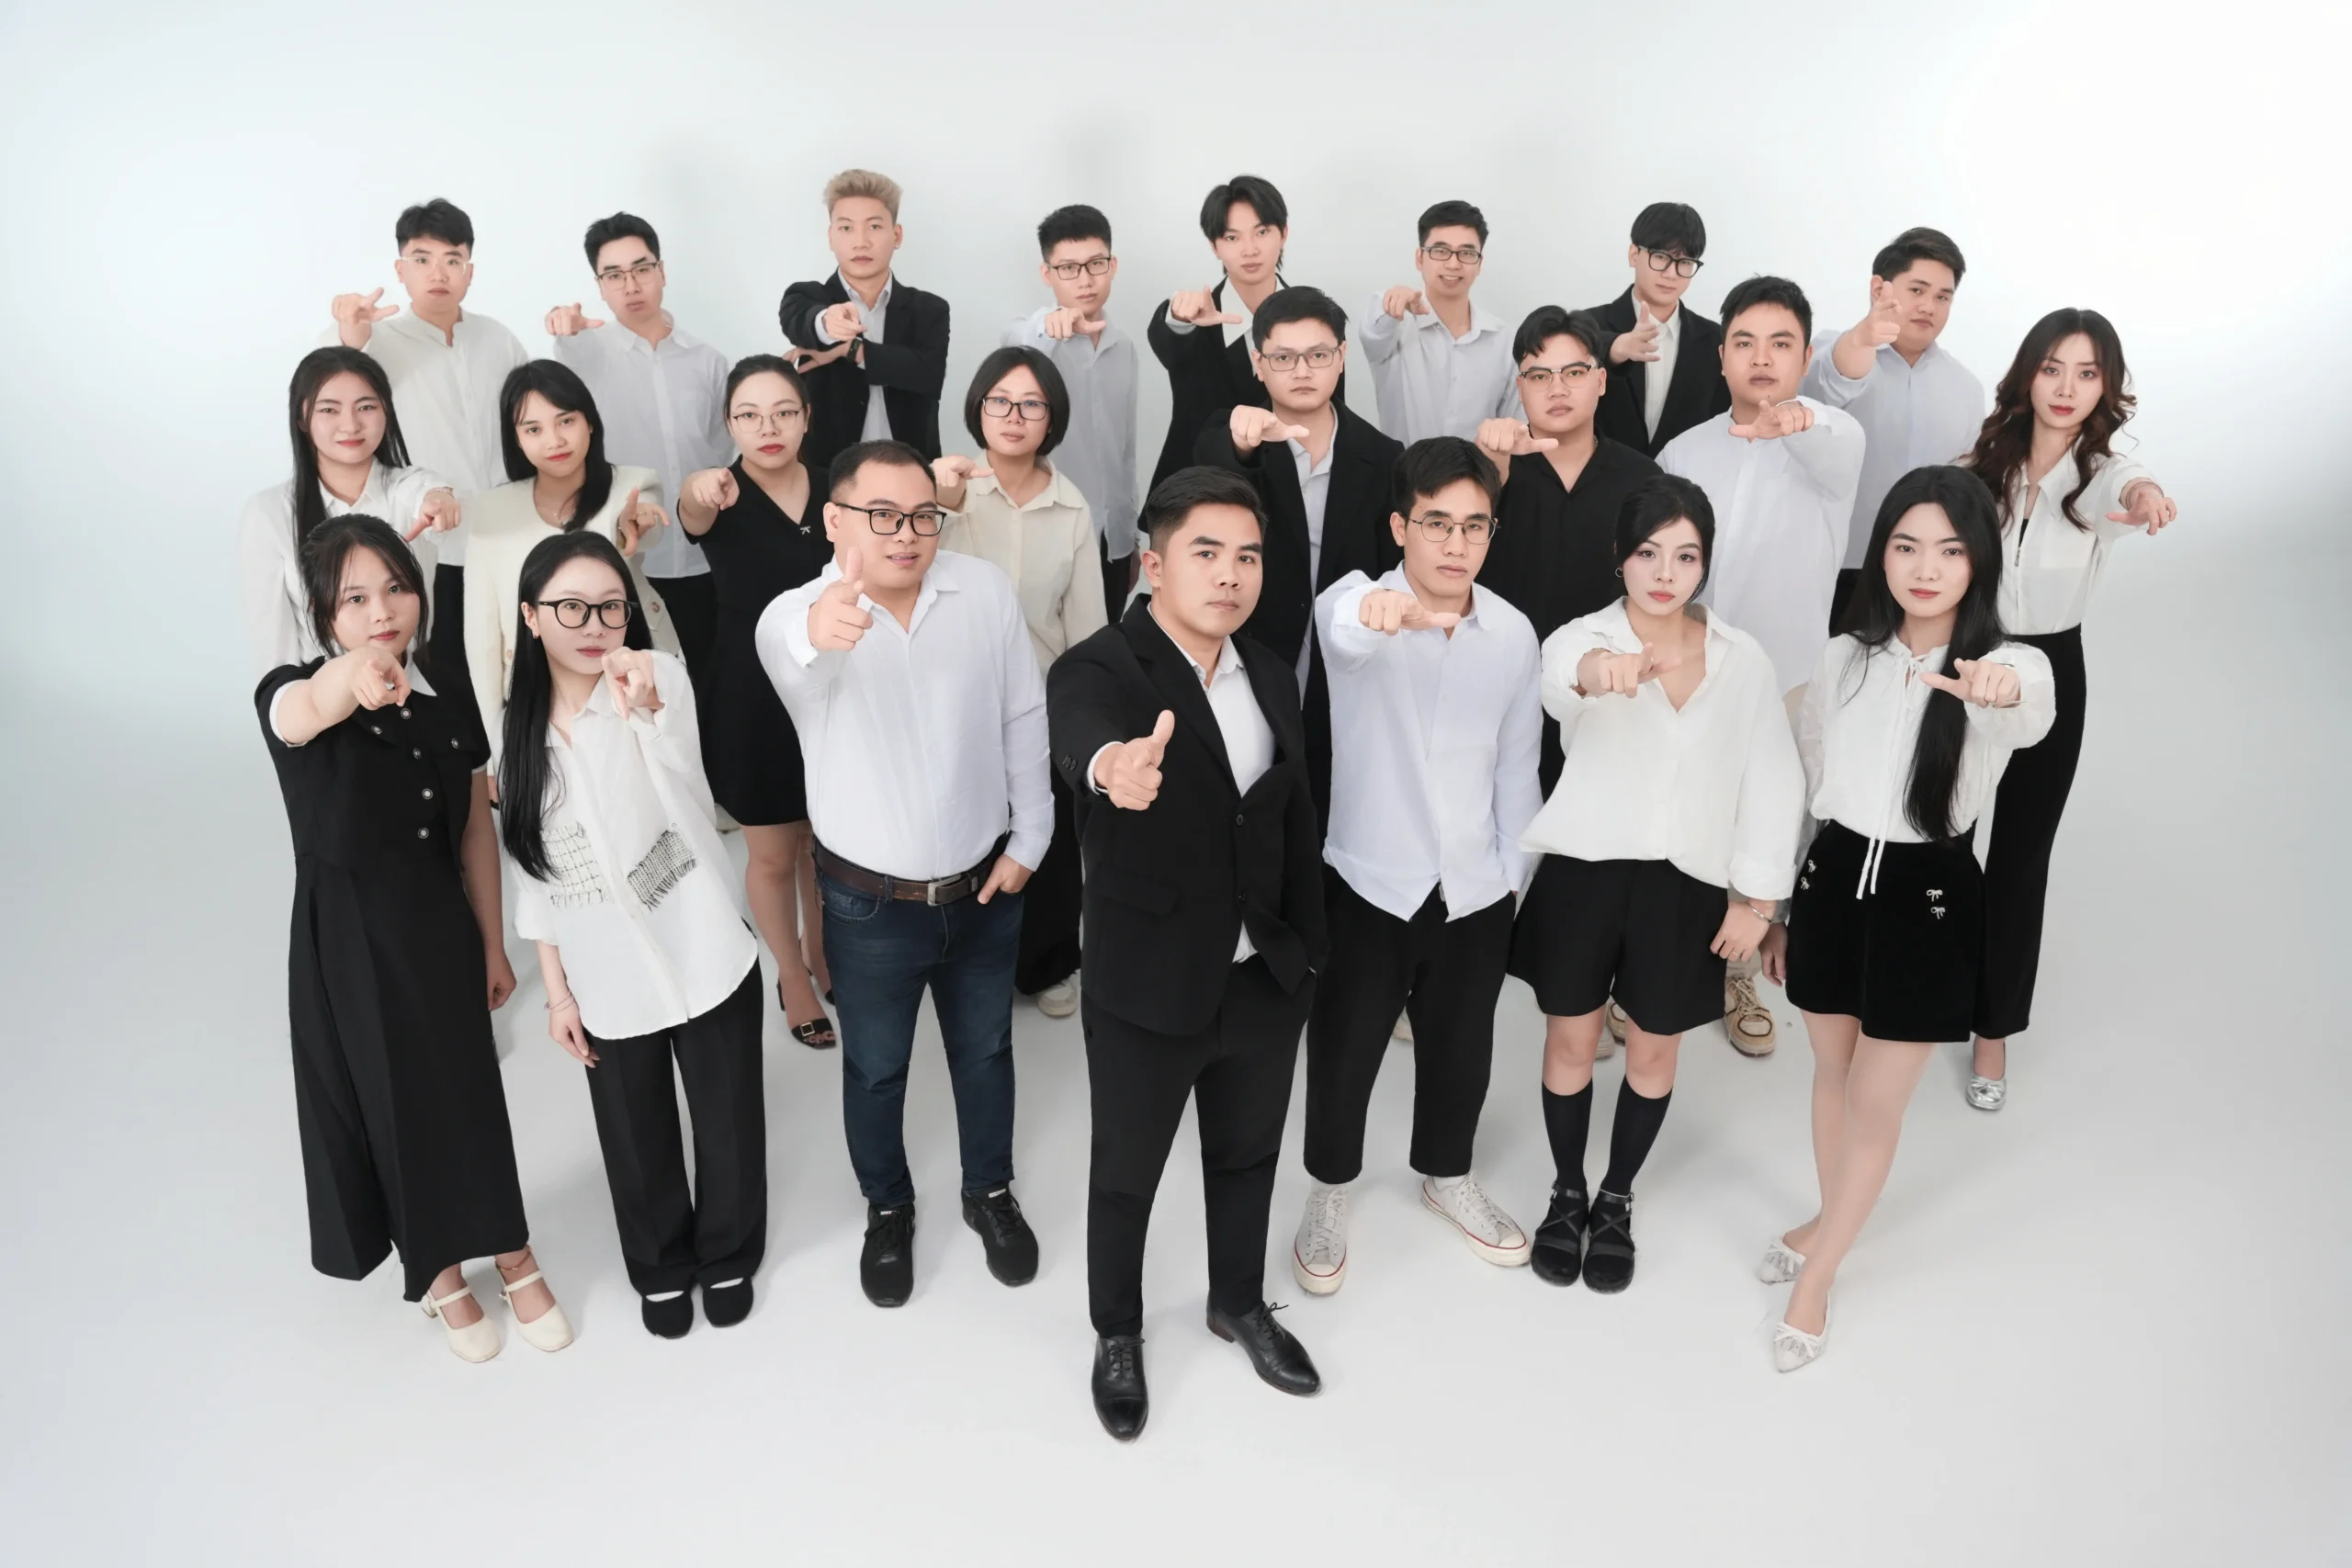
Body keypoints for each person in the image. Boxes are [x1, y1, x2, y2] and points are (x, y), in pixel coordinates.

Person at [1047, 465, 1330, 1443]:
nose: (1230, 574)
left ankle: (1238, 1302)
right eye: (1206, 552)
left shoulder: (1271, 671)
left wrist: (1306, 955)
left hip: (1262, 976)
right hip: (1148, 982)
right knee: (1126, 1171)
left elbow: (1294, 819)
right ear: (1154, 563)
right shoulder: (1099, 668)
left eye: (1247, 556)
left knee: (1248, 1155)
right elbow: (1082, 737)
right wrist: (1109, 769)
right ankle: (1117, 1331)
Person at [1758, 465, 2055, 1371]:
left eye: (1950, 551)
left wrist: (1995, 689)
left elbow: (2029, 709)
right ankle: (1826, 1220)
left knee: (1876, 1102)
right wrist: (1778, 908)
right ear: (1880, 554)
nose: (1926, 569)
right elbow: (1807, 783)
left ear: (1979, 562)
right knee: (1830, 1073)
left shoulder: (2008, 666)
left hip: (1927, 900)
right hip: (1831, 882)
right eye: (1906, 546)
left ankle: (1818, 1278)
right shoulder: (1843, 658)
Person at [255, 514, 571, 1362]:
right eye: (354, 599)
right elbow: (309, 706)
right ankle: (436, 1268)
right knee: (392, 1101)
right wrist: (352, 677)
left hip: (439, 923)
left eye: (396, 588)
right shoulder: (289, 692)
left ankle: (512, 1249)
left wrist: (493, 944)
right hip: (350, 937)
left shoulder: (444, 695)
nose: (382, 611)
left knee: (471, 1089)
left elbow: (474, 831)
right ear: (324, 616)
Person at [755, 441, 1047, 1309]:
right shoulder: (797, 615)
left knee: (986, 1052)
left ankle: (989, 1190)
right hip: (868, 904)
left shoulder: (981, 591)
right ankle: (888, 1206)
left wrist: (1032, 834)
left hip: (984, 887)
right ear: (834, 520)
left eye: (923, 514)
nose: (907, 533)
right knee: (877, 1069)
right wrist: (822, 631)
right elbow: (797, 653)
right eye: (881, 515)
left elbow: (1022, 710)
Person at [1508, 476, 1803, 1292]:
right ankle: (1566, 1192)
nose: (1665, 573)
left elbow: (1773, 776)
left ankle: (1616, 1196)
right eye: (1648, 553)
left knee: (1655, 1049)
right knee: (1571, 1041)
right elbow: (1561, 681)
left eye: (1686, 555)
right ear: (1620, 557)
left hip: (1685, 885)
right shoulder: (1580, 638)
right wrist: (1605, 671)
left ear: (1706, 563)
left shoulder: (1743, 659)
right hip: (1585, 873)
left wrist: (1758, 899)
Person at [497, 531, 766, 1341]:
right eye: (571, 607)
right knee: (633, 1132)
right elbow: (534, 878)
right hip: (605, 974)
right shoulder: (515, 740)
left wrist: (645, 690)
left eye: (610, 607)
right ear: (530, 616)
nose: (594, 625)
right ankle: (659, 1266)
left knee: (727, 1117)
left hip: (704, 946)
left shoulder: (655, 681)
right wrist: (558, 994)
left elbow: (677, 745)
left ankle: (729, 1252)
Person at [1290, 437, 1542, 1296]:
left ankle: (1446, 1172)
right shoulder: (1353, 602)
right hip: (1370, 880)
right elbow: (1345, 632)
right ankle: (1329, 1188)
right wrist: (1380, 613)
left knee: (1462, 1046)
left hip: (1475, 884)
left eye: (1475, 525)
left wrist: (1509, 877)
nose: (1455, 543)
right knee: (1345, 1045)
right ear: (1400, 526)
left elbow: (1518, 766)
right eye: (1436, 523)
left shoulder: (1511, 632)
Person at [1955, 310, 2176, 1111]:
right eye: (2053, 367)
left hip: (2053, 667)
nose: (2066, 387)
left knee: (2019, 856)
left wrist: (2148, 496)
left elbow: (2131, 487)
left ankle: (1992, 1031)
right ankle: (1926, 991)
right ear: (2028, 372)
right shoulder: (1981, 460)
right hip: (1970, 657)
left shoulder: (2105, 473)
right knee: (1943, 837)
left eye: (2087, 373)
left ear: (2105, 387)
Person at [1659, 275, 1862, 1057]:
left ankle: (1737, 973)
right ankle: (1652, 973)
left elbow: (1826, 431)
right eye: (1744, 342)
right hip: (1694, 669)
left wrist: (1797, 419)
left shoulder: (1833, 445)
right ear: (1721, 356)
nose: (1762, 358)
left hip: (1786, 676)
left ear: (1807, 357)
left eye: (1782, 343)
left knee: (1771, 820)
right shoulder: (1684, 451)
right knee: (1684, 813)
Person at [935, 346, 1109, 1020]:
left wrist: (1085, 711)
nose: (1014, 415)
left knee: (1051, 839)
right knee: (964, 831)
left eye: (1032, 403)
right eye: (1000, 401)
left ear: (1051, 419)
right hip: (953, 695)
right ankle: (962, 961)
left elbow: (1086, 626)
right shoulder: (946, 491)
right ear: (978, 408)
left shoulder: (1072, 507)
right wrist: (938, 500)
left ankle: (1049, 962)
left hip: (1040, 700)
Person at [1192, 285, 1404, 820]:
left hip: (1344, 666)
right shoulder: (1230, 436)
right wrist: (1245, 447)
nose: (1302, 370)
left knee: (1332, 807)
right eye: (1284, 357)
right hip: (1251, 657)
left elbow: (1389, 572)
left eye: (1318, 355)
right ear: (1258, 363)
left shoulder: (1382, 456)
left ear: (1342, 357)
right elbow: (1217, 477)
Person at [676, 356, 838, 1050]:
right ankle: (791, 975)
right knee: (773, 851)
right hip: (752, 696)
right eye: (748, 415)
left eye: (783, 412)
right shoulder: (719, 492)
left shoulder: (837, 488)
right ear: (729, 424)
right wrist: (697, 486)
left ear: (806, 418)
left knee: (825, 848)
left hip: (833, 688)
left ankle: (825, 953)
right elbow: (691, 510)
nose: (767, 428)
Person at [325, 197, 529, 677]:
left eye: (452, 260)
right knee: (441, 674)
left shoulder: (499, 339)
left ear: (469, 272)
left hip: (507, 538)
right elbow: (331, 384)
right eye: (422, 259)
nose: (438, 273)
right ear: (401, 269)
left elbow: (531, 423)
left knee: (516, 672)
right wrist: (349, 331)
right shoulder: (378, 342)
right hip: (427, 546)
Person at [1475, 305, 1662, 792]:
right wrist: (1491, 472)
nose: (1557, 389)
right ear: (1519, 388)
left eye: (1574, 372)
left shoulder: (1643, 479)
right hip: (1499, 690)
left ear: (1600, 381)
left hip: (1608, 692)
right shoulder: (1489, 470)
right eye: (1539, 376)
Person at [544, 212, 731, 692]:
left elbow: (723, 450)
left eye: (642, 269)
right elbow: (568, 357)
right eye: (614, 275)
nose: (631, 285)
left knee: (712, 689)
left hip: (705, 557)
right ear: (599, 286)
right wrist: (565, 330)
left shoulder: (709, 362)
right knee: (640, 694)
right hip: (627, 560)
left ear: (661, 271)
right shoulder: (587, 354)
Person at [462, 360, 671, 756]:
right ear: (515, 439)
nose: (554, 440)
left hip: (632, 686)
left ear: (589, 422)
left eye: (566, 421)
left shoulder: (632, 485)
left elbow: (645, 527)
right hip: (534, 698)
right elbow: (482, 638)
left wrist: (635, 526)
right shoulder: (490, 510)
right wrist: (495, 747)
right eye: (533, 429)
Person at [1802, 228, 1987, 628]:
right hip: (1835, 567)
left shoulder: (1966, 388)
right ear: (1878, 289)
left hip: (1926, 577)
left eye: (1943, 297)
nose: (1929, 307)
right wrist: (1864, 337)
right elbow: (1833, 382)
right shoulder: (1836, 349)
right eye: (1917, 290)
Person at [240, 347, 459, 676]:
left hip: (414, 684)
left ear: (386, 411)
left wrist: (439, 499)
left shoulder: (407, 489)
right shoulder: (268, 514)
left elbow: (429, 491)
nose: (351, 424)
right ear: (301, 418)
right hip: (321, 691)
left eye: (366, 407)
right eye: (329, 409)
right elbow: (276, 658)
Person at [1148, 174, 1346, 488]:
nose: (1249, 250)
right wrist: (1177, 317)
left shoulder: (1318, 319)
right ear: (1214, 246)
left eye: (1262, 232)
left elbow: (1332, 412)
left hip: (1295, 490)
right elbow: (1168, 342)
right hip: (1197, 488)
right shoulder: (1194, 319)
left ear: (1283, 234)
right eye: (1232, 238)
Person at [1004, 204, 1140, 618]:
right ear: (1047, 274)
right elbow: (1018, 337)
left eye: (1096, 264)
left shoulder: (1124, 348)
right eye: (1068, 268)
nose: (1085, 279)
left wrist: (1130, 538)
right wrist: (1051, 324)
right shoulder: (1032, 339)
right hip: (1051, 533)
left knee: (1109, 644)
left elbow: (1125, 451)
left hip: (1113, 539)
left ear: (1112, 265)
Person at [778, 170, 951, 475]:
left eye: (874, 226)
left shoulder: (929, 309)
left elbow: (928, 375)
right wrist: (826, 323)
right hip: (827, 476)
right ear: (831, 237)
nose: (861, 242)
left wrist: (852, 350)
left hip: (911, 473)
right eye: (846, 228)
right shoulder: (807, 296)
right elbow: (798, 321)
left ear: (896, 235)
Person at [1361, 199, 1520, 444]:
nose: (1453, 264)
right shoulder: (1395, 325)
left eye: (1466, 253)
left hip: (1479, 469)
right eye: (1440, 251)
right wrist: (1391, 302)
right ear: (1420, 258)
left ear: (1479, 264)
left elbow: (1512, 427)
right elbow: (1373, 332)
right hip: (1404, 468)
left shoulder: (1503, 341)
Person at [1586, 202, 1731, 458]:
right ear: (1634, 254)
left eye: (1684, 262)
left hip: (1684, 481)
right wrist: (1615, 350)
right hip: (1601, 478)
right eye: (1661, 257)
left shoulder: (1716, 341)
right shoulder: (1588, 325)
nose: (1671, 274)